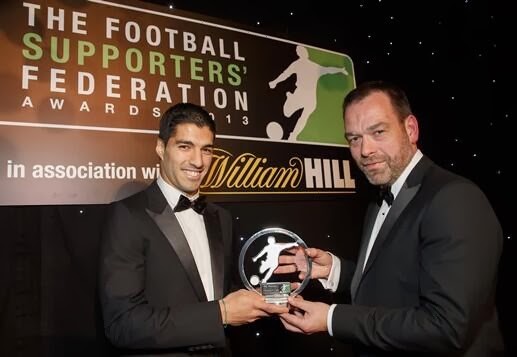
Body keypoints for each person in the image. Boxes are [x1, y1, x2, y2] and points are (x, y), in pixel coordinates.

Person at [276, 81, 504, 356]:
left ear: (410, 129)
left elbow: (446, 328)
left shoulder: (456, 199)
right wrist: (335, 271)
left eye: (378, 132)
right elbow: (397, 283)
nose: (365, 150)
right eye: (354, 138)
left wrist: (332, 319)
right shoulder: (380, 196)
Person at [98, 102, 287, 356]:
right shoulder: (127, 215)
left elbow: (223, 293)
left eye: (206, 150)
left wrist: (282, 292)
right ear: (161, 148)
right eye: (185, 146)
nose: (198, 162)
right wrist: (220, 314)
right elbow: (123, 324)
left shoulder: (221, 217)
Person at [269, 45, 348, 141]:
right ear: (299, 54)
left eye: (304, 52)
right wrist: (275, 82)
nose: (303, 53)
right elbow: (285, 74)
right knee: (287, 113)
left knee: (303, 118)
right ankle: (290, 98)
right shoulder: (297, 64)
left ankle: (293, 136)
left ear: (306, 54)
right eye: (301, 52)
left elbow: (328, 70)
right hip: (299, 95)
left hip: (310, 99)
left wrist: (340, 70)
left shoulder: (314, 66)